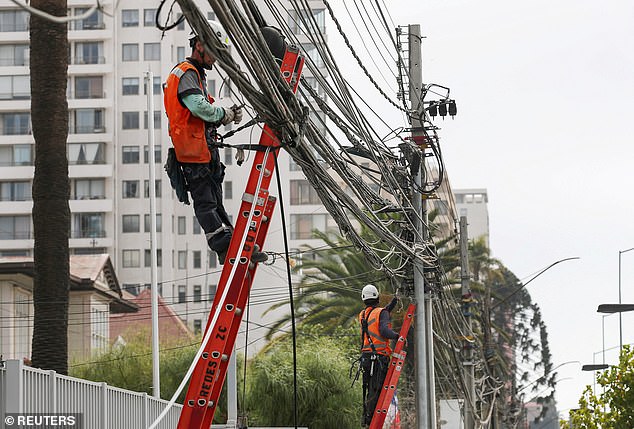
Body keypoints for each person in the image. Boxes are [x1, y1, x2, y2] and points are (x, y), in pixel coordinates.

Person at [163, 20, 267, 265]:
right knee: (206, 201)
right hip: (193, 154)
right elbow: (201, 109)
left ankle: (230, 243)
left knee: (214, 200)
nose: (216, 58)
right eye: (214, 50)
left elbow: (207, 110)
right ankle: (222, 243)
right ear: (199, 45)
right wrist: (223, 114)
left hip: (202, 151)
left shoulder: (196, 76)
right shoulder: (186, 72)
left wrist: (227, 112)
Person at [358, 284, 399, 427]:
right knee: (377, 390)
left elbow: (382, 313)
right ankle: (370, 421)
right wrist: (398, 337)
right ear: (377, 296)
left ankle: (366, 419)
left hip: (366, 357)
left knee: (369, 389)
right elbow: (383, 330)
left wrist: (394, 302)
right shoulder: (381, 313)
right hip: (379, 358)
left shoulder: (364, 314)